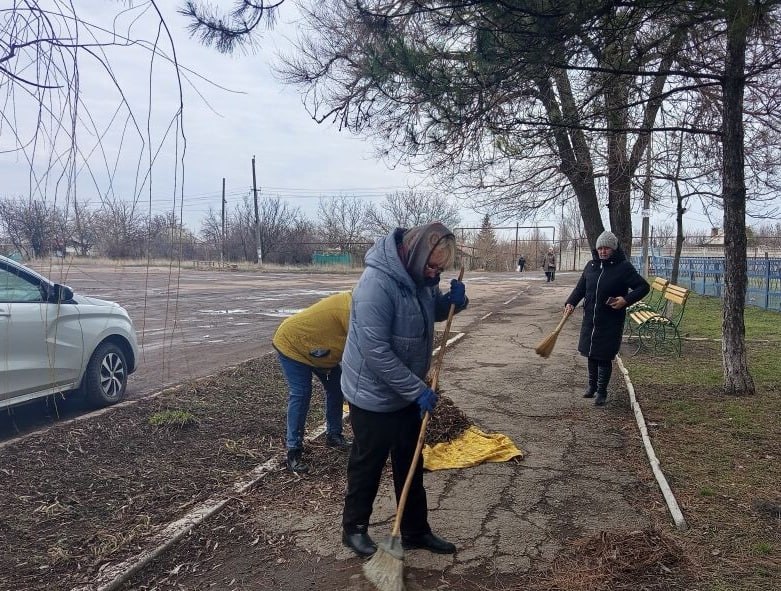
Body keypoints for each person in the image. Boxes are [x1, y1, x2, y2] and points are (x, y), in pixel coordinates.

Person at [340, 222, 468, 558]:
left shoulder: (420, 277)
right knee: (368, 462)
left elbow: (428, 313)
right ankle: (353, 529)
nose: (434, 274)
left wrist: (451, 304)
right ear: (414, 253)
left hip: (406, 391)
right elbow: (376, 353)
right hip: (372, 393)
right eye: (431, 266)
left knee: (410, 461)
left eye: (439, 269)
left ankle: (414, 530)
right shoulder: (375, 286)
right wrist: (417, 390)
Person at [564, 231, 649, 406]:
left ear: (613, 249)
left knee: (603, 356)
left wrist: (625, 300)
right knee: (591, 354)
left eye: (607, 248)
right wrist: (570, 303)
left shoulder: (623, 267)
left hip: (610, 319)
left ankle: (602, 391)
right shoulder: (591, 266)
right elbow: (581, 288)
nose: (603, 251)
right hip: (591, 319)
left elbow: (643, 287)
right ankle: (592, 386)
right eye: (600, 248)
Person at [272, 291, 353, 473]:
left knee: (337, 388)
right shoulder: (349, 309)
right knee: (301, 393)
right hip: (292, 344)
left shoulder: (361, 305)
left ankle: (334, 435)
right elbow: (361, 347)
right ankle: (293, 451)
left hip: (318, 350)